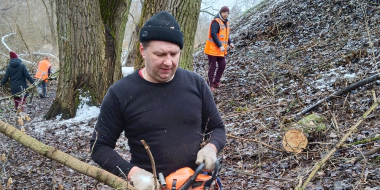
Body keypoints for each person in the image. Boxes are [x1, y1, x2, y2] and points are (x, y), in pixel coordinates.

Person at [90, 11, 226, 190]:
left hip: (198, 183)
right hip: (152, 185)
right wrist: (133, 173)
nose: (168, 62)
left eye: (174, 54)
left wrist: (211, 148)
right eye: (160, 54)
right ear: (142, 51)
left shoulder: (196, 83)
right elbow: (99, 147)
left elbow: (217, 128)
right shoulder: (121, 93)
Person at [204, 6, 235, 91]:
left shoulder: (226, 23)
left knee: (222, 65)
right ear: (221, 12)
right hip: (212, 50)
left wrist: (230, 42)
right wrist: (220, 45)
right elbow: (213, 34)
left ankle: (216, 82)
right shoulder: (216, 22)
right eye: (224, 12)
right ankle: (209, 85)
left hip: (221, 51)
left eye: (227, 13)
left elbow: (226, 36)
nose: (226, 14)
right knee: (212, 67)